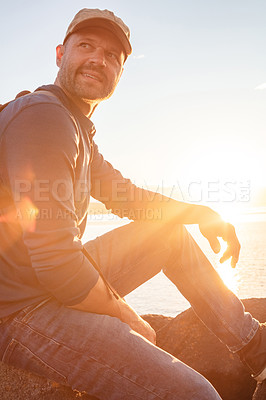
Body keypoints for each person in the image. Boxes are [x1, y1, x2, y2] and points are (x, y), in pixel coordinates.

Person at [0, 8, 265, 400]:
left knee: (168, 236)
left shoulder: (76, 129)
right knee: (196, 394)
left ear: (120, 72)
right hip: (20, 311)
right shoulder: (45, 117)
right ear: (60, 54)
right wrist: (128, 317)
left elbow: (130, 199)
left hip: (44, 285)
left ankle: (256, 351)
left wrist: (203, 214)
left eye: (111, 56)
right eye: (86, 46)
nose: (98, 59)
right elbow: (57, 262)